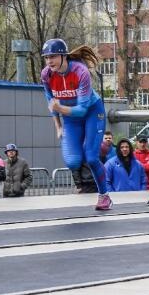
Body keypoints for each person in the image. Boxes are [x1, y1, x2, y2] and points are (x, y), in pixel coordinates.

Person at [40, 38, 112, 210]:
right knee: (73, 162)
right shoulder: (46, 74)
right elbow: (51, 102)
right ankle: (93, 142)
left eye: (53, 56)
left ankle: (104, 196)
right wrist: (58, 126)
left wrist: (59, 108)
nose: (49, 61)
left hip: (92, 112)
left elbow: (81, 109)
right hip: (70, 118)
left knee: (92, 157)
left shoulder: (81, 71)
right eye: (46, 57)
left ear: (63, 56)